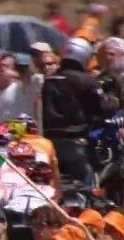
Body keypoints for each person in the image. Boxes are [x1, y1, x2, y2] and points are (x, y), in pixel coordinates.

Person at [41, 37, 104, 187]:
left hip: (49, 142)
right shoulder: (86, 80)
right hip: (75, 142)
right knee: (89, 178)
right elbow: (101, 106)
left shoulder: (49, 80)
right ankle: (89, 205)